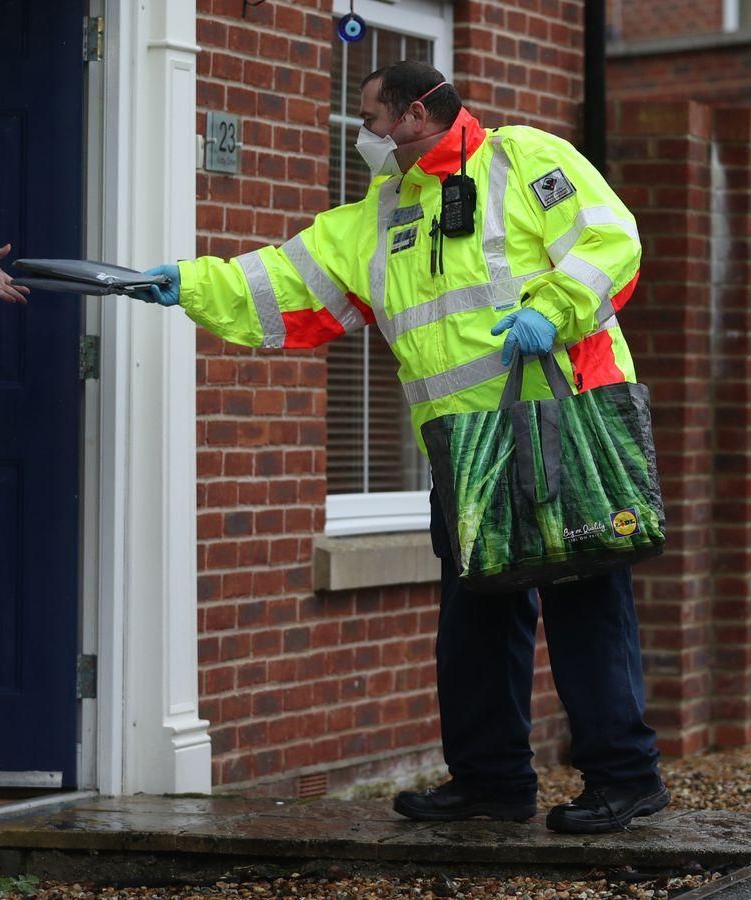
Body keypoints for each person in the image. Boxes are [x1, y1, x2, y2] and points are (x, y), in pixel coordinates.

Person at [136, 60, 667, 834]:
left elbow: (611, 242)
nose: (366, 136)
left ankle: (626, 779)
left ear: (417, 113)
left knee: (585, 605)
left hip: (565, 426)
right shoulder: (377, 217)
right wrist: (186, 283)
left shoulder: (525, 160)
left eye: (373, 118)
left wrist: (553, 308)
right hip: (464, 454)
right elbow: (281, 282)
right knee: (475, 625)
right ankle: (491, 783)